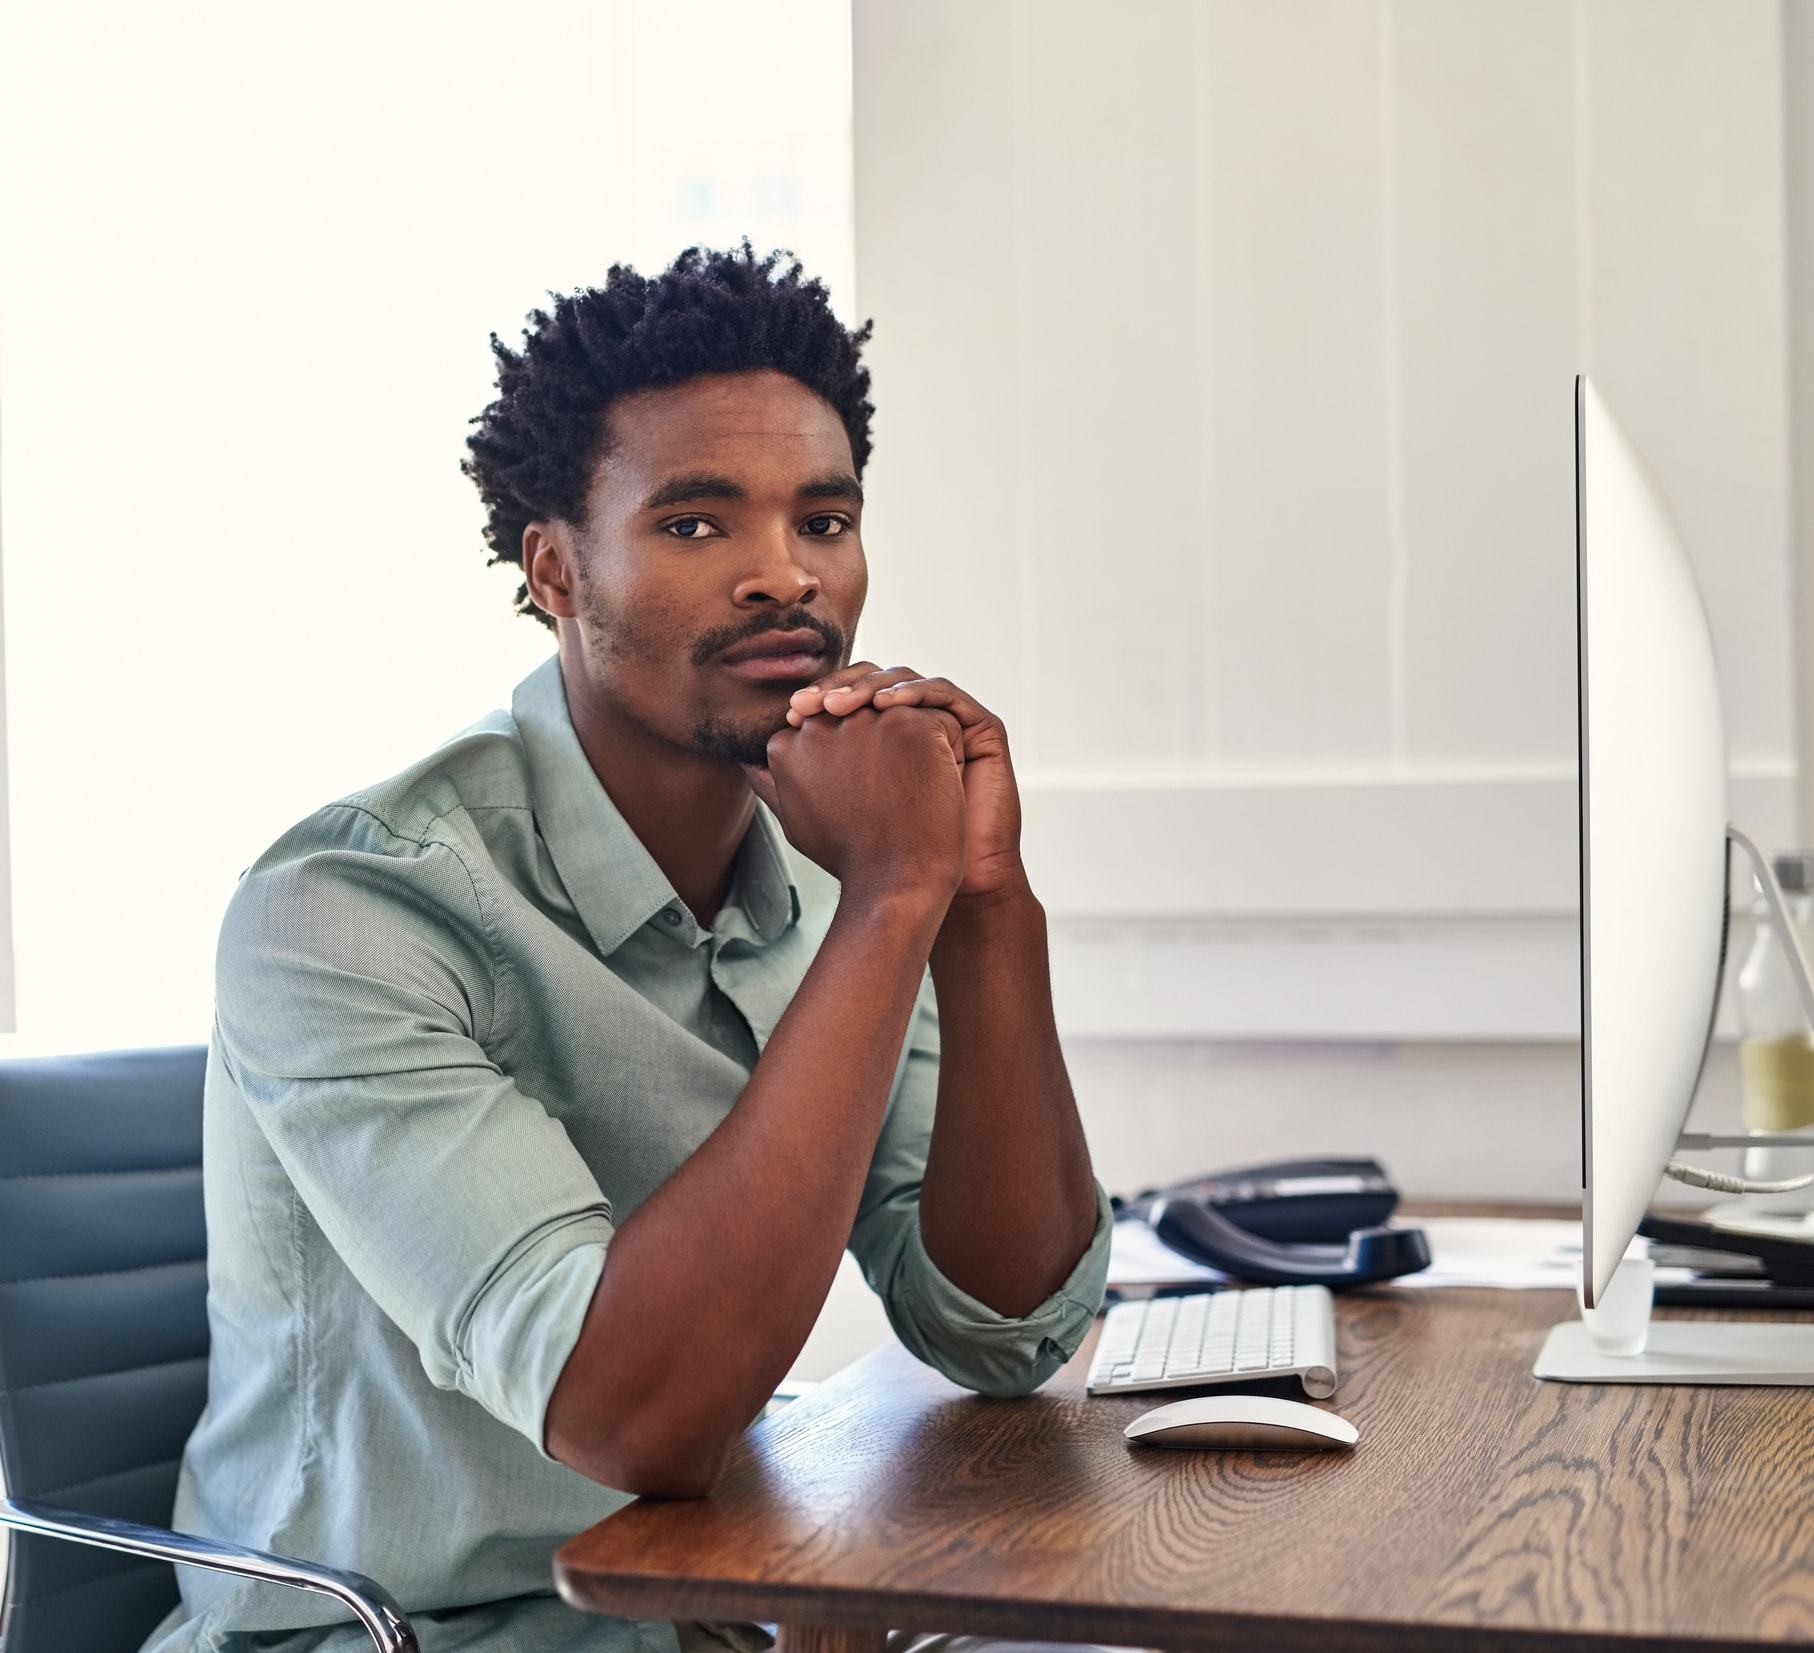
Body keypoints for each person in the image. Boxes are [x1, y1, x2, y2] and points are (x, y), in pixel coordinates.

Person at [142, 241, 1112, 1653]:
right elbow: (634, 1417)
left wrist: (979, 903)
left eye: (824, 520)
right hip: (416, 1633)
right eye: (697, 526)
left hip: (718, 1610)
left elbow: (1004, 1331)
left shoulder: (821, 875)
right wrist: (894, 897)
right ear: (553, 567)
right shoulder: (347, 909)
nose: (785, 577)